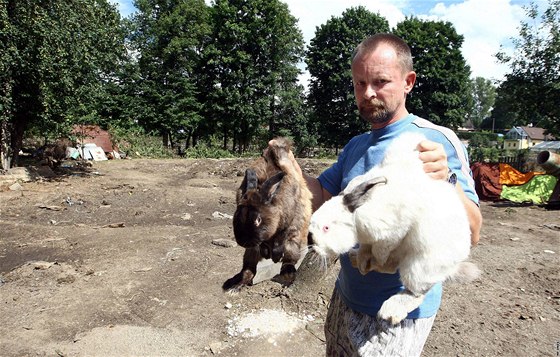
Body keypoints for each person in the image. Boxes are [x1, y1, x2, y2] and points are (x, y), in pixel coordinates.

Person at [286, 33, 482, 356]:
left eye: (380, 81)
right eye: (359, 83)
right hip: (345, 299)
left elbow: (473, 232)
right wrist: (289, 170)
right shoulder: (355, 146)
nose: (368, 93)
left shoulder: (436, 142)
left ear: (408, 82)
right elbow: (321, 195)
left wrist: (446, 179)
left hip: (396, 320)